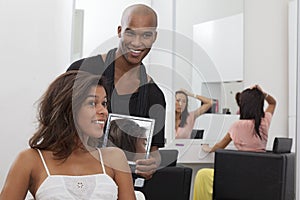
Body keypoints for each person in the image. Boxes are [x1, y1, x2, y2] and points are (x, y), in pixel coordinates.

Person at [0, 71, 136, 200]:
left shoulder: (114, 158)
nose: (104, 111)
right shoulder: (30, 160)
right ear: (68, 108)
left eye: (104, 103)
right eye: (92, 103)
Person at [67, 4, 165, 180]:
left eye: (146, 35)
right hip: (73, 174)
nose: (137, 42)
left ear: (154, 37)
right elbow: (56, 124)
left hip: (124, 183)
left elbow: (153, 151)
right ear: (120, 31)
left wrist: (152, 163)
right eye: (130, 32)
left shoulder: (154, 95)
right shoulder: (82, 70)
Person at [193, 85, 276, 200]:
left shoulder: (238, 126)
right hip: (257, 175)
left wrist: (208, 148)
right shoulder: (264, 122)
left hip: (239, 176)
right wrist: (263, 93)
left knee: (202, 175)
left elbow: (220, 146)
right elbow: (273, 103)